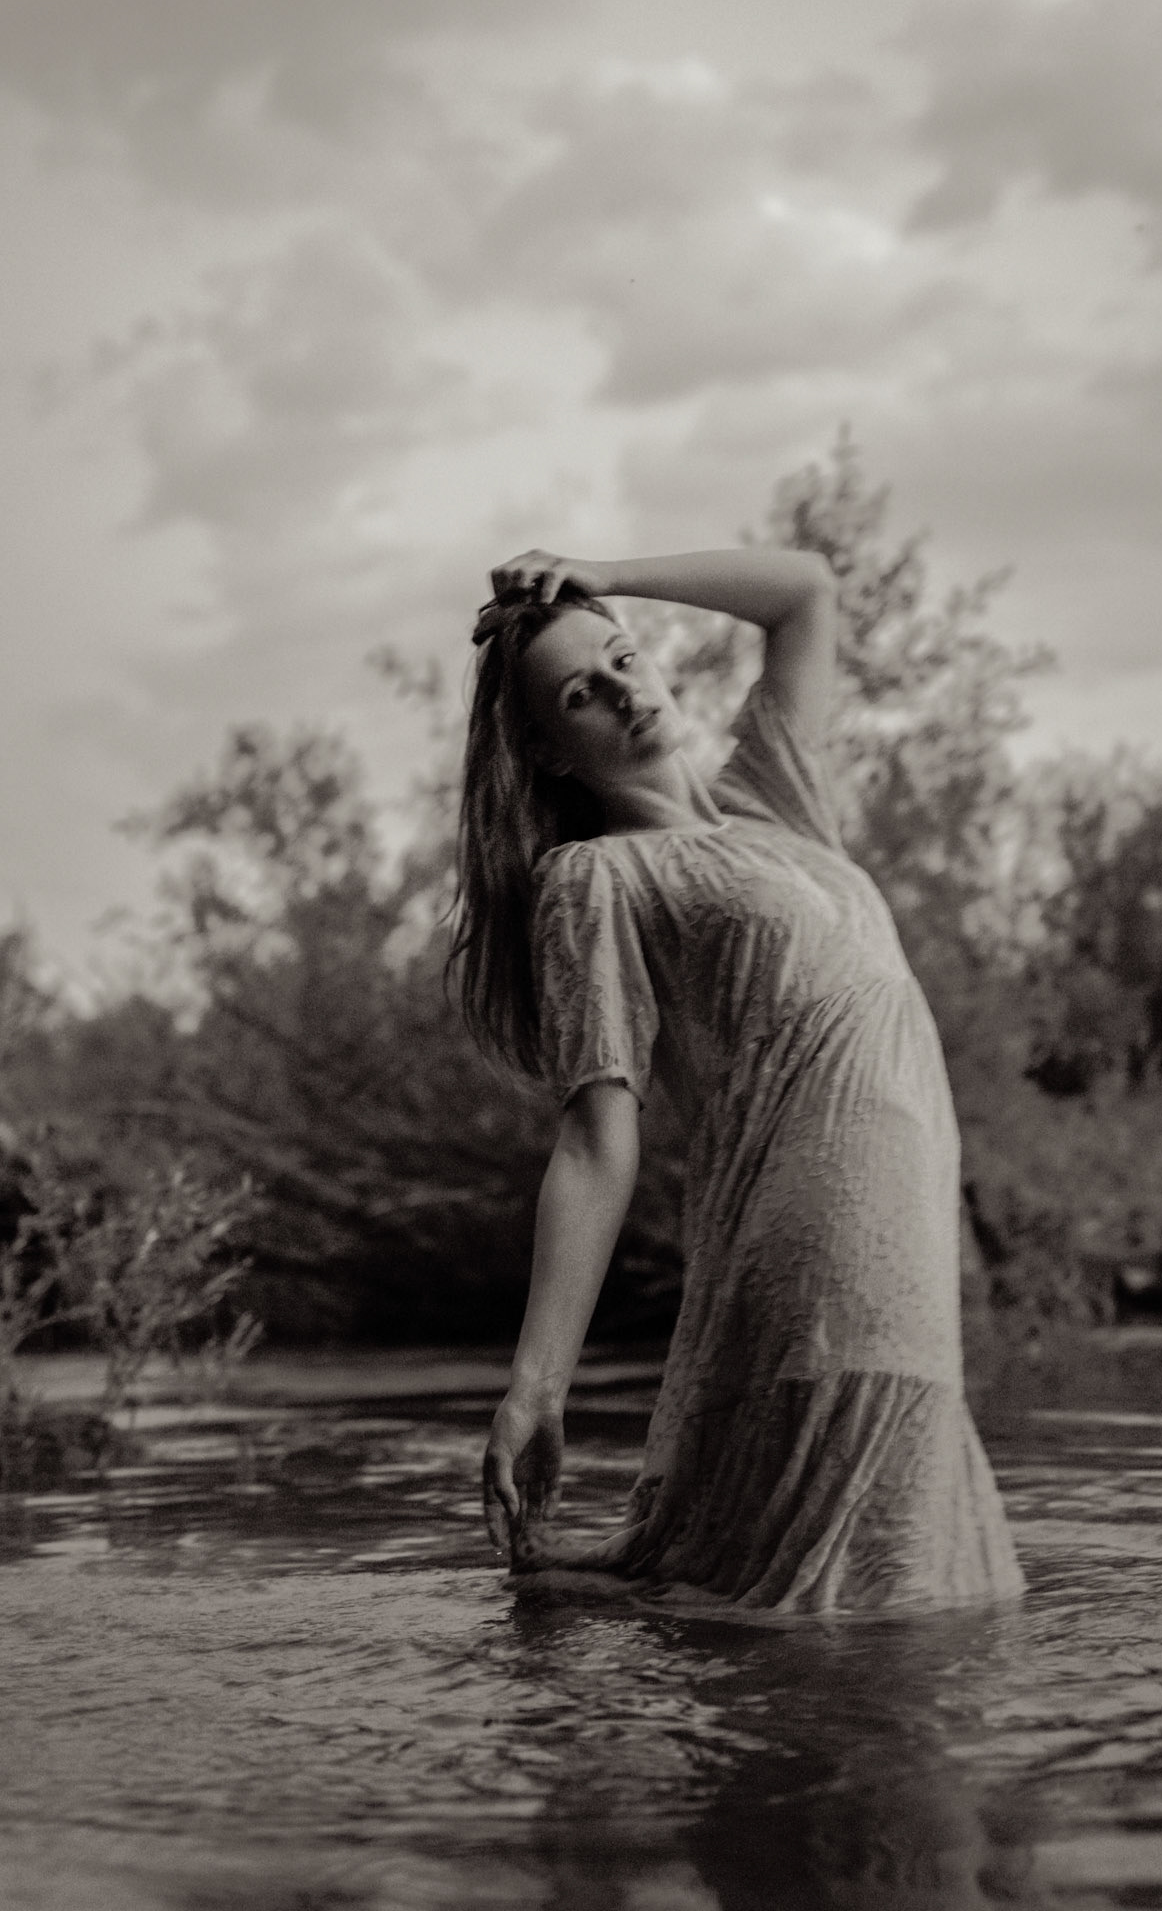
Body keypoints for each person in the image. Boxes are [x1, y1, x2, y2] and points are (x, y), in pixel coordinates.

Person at [449, 545, 1024, 1613]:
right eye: (580, 695)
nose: (624, 692)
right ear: (546, 751)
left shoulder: (777, 803)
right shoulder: (595, 877)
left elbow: (804, 590)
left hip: (905, 1233)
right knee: (867, 1600)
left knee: (909, 1584)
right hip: (814, 1236)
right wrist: (536, 1384)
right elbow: (595, 1138)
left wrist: (598, 569)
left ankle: (601, 1633)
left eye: (625, 660)